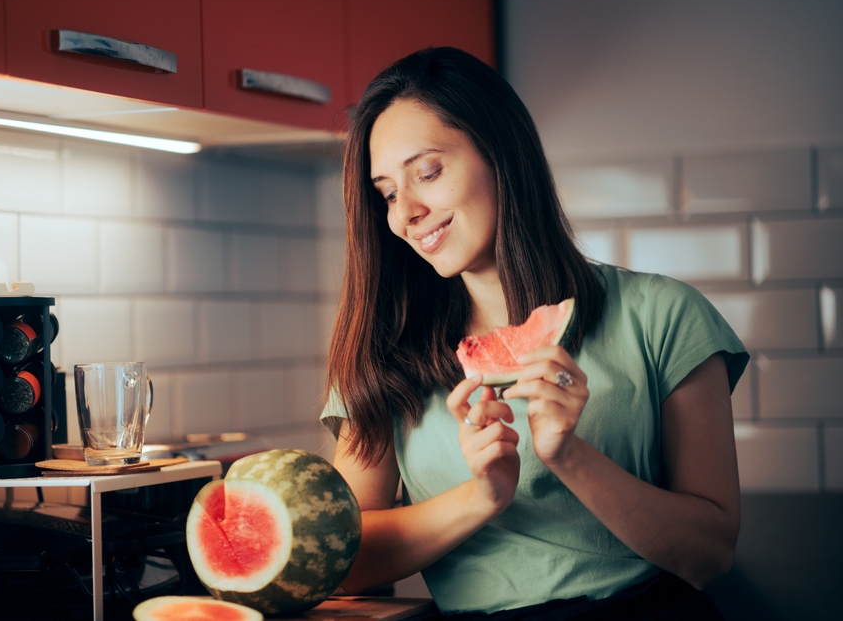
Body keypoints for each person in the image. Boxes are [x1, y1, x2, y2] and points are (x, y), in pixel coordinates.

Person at [320, 47, 748, 620]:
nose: (406, 213)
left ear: (501, 153)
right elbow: (341, 560)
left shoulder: (663, 314)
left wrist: (568, 455)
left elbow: (711, 555)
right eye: (388, 193)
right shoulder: (386, 349)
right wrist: (482, 496)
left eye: (427, 172)